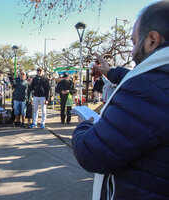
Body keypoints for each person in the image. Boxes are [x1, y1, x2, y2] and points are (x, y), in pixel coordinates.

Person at [72, 1, 169, 199]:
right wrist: (112, 72)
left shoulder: (149, 89)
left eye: (134, 43)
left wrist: (84, 126)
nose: (132, 52)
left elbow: (92, 153)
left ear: (152, 40)